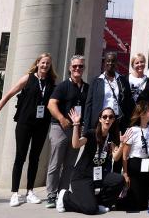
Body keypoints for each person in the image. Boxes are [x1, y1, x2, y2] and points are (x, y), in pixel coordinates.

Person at [0, 53, 57, 206]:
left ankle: (30, 191)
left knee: (35, 158)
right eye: (43, 63)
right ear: (37, 63)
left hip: (41, 124)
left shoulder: (51, 82)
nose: (45, 66)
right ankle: (14, 193)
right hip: (24, 123)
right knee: (20, 157)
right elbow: (8, 95)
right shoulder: (28, 78)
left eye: (48, 63)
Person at [57, 106, 124, 215]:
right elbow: (75, 144)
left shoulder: (111, 137)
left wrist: (122, 145)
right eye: (105, 116)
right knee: (90, 209)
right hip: (82, 177)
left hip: (98, 176)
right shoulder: (91, 133)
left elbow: (116, 157)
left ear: (113, 120)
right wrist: (76, 125)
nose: (107, 119)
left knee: (119, 180)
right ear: (100, 119)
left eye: (110, 117)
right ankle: (65, 197)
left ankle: (101, 203)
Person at [46, 55, 88, 209]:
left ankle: (62, 194)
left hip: (76, 130)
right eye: (75, 66)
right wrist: (62, 119)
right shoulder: (63, 86)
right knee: (55, 163)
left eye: (81, 66)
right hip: (60, 128)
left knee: (70, 164)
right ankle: (51, 195)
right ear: (70, 68)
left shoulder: (86, 87)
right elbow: (51, 105)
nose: (78, 69)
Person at [121, 102, 149, 212]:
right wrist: (125, 173)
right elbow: (125, 154)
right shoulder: (132, 130)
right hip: (135, 164)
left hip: (147, 163)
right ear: (142, 114)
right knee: (136, 204)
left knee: (145, 203)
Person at [86, 52, 135, 133]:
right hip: (100, 121)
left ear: (116, 63)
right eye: (108, 61)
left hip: (117, 121)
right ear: (104, 63)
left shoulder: (123, 80)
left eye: (113, 61)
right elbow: (89, 105)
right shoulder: (96, 81)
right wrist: (86, 129)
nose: (110, 63)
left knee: (115, 144)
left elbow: (128, 102)